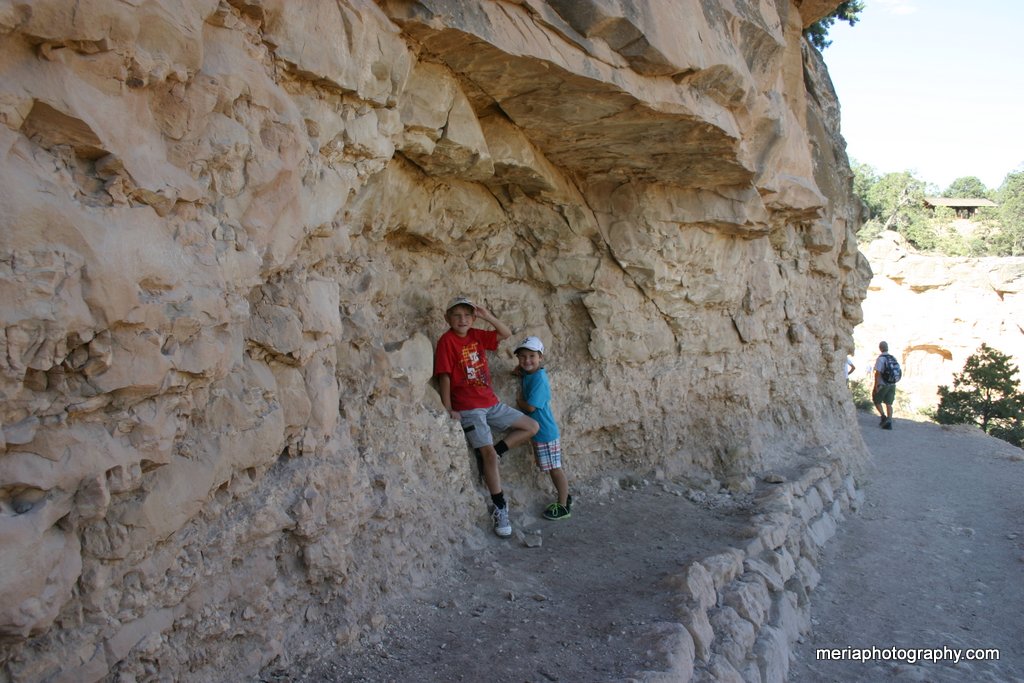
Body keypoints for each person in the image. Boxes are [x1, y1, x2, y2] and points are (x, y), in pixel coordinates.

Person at [434, 296, 539, 538]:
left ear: (473, 318)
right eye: (457, 315)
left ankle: (496, 453)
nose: (462, 320)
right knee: (487, 452)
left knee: (532, 426)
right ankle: (500, 506)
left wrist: (487, 316)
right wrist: (448, 408)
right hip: (469, 407)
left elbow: (505, 333)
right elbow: (445, 376)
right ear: (447, 318)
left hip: (491, 403)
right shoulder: (447, 341)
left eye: (467, 315)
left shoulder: (476, 335)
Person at [513, 336, 572, 521]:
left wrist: (519, 402)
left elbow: (531, 407)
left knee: (555, 468)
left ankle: (563, 505)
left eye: (532, 356)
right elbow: (526, 372)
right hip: (540, 432)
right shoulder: (532, 374)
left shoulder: (539, 379)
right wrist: (520, 372)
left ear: (541, 357)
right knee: (550, 466)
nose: (527, 360)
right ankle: (564, 497)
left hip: (546, 432)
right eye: (522, 357)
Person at [873, 341, 896, 430]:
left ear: (880, 348)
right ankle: (889, 421)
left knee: (876, 400)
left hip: (883, 384)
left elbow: (877, 373)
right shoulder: (893, 358)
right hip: (892, 384)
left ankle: (883, 417)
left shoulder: (881, 359)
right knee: (889, 403)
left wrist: (876, 385)